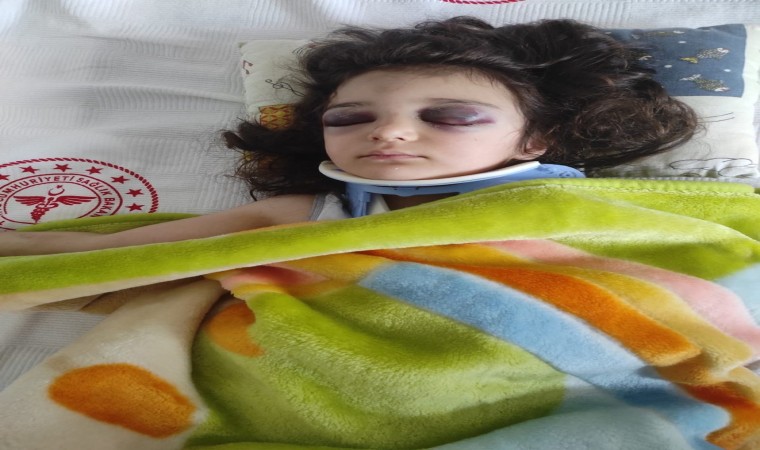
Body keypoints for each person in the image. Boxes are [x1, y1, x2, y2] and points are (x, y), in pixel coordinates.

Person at [0, 17, 698, 256]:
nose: (389, 130)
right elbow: (113, 251)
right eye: (348, 118)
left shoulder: (594, 211)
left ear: (534, 142)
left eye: (449, 116)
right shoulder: (309, 213)